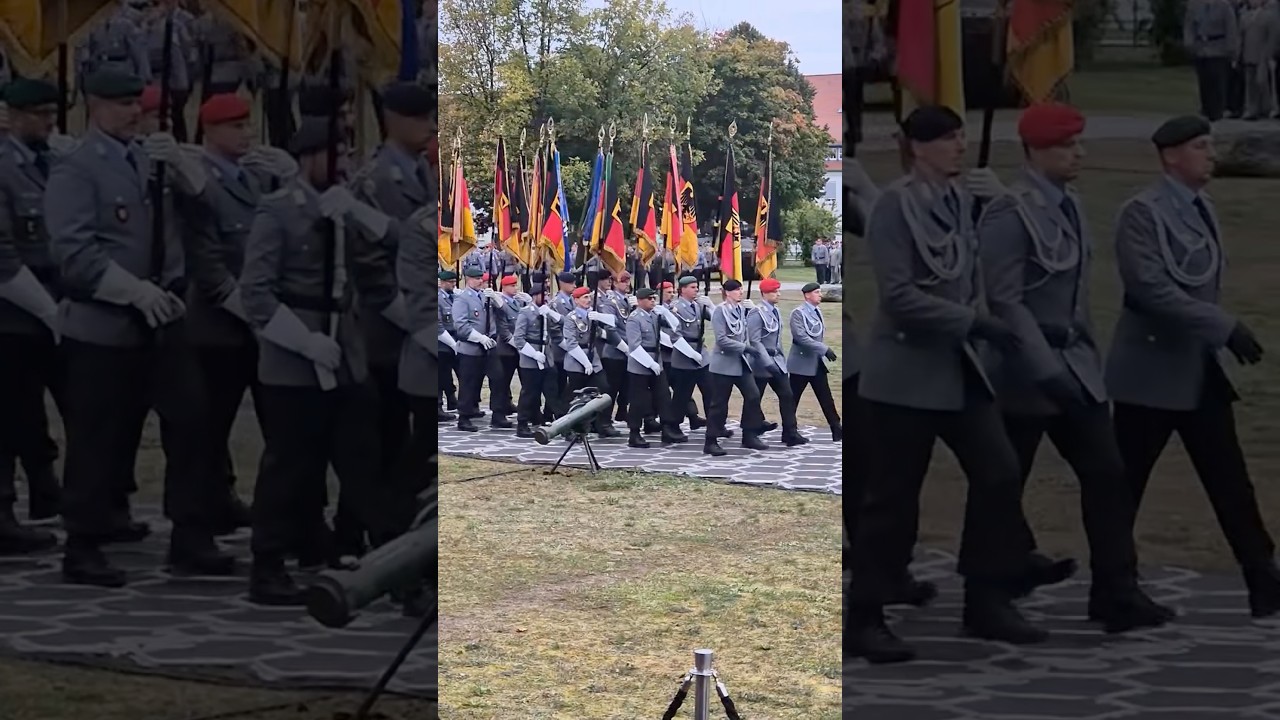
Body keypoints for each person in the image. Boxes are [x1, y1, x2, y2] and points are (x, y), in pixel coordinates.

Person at [847, 105, 1055, 664]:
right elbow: (899, 296)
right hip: (905, 375)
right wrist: (974, 321)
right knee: (891, 501)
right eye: (945, 139)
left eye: (962, 136)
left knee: (1000, 473)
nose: (959, 146)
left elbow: (981, 269)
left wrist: (1004, 203)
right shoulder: (895, 206)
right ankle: (864, 615)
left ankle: (986, 597)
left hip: (959, 368)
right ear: (917, 146)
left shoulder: (962, 201)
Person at [978, 103, 1172, 633]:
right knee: (1002, 486)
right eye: (1068, 146)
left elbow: (1077, 297)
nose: (1079, 154)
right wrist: (1044, 367)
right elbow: (1006, 301)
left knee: (1109, 475)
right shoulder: (1008, 212)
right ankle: (987, 596)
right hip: (1024, 372)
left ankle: (1116, 591)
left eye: (1078, 144)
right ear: (1036, 151)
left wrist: (1083, 360)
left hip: (1077, 370)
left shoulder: (1071, 204)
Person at [46, 68, 230, 587]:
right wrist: (132, 290)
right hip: (106, 322)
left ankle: (191, 534)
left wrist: (191, 176)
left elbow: (206, 217)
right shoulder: (78, 168)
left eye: (138, 104)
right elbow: (74, 252)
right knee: (99, 438)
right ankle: (83, 543)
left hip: (165, 318)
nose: (134, 113)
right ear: (94, 107)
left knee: (195, 424)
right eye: (123, 104)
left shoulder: (151, 159)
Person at [1106, 114, 1280, 619]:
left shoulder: (1201, 207)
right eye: (1200, 146)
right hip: (1150, 372)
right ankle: (1115, 587)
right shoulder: (1142, 212)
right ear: (1170, 157)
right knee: (1125, 484)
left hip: (1196, 368)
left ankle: (1261, 575)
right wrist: (1221, 325)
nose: (1210, 154)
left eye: (1210, 145)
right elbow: (1150, 288)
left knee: (1229, 477)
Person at [239, 117, 401, 605]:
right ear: (308, 158)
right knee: (290, 467)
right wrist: (305, 343)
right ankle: (267, 565)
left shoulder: (346, 205)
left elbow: (396, 240)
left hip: (346, 352)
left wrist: (356, 213)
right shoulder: (278, 212)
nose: (345, 164)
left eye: (348, 155)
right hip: (296, 359)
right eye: (335, 155)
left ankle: (382, 559)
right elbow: (257, 294)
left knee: (361, 459)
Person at [181, 93, 293, 534]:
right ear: (209, 131)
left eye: (248, 125)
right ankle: (200, 520)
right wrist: (254, 311)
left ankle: (273, 516)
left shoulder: (255, 179)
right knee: (207, 432)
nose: (246, 134)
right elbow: (207, 263)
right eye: (235, 126)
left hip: (257, 327)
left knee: (278, 427)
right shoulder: (199, 181)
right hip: (218, 326)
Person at [0, 80, 64, 553]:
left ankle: (48, 490)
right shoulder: (4, 167)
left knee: (33, 412)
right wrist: (47, 309)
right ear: (14, 116)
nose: (49, 122)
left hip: (51, 301)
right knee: (7, 417)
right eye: (39, 114)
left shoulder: (53, 163)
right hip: (12, 310)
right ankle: (3, 512)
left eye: (51, 113)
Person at [705, 279, 767, 455]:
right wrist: (745, 347)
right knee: (719, 404)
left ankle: (749, 434)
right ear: (728, 292)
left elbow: (743, 331)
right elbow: (722, 340)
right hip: (724, 363)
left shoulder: (741, 310)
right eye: (737, 290)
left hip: (740, 362)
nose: (741, 292)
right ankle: (710, 441)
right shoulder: (720, 311)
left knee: (753, 395)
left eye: (741, 289)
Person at [747, 278, 806, 446]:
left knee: (787, 395)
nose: (778, 294)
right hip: (761, 363)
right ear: (765, 293)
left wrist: (779, 359)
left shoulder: (775, 310)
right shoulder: (756, 313)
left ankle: (790, 432)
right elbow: (755, 340)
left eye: (778, 291)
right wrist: (767, 362)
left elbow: (777, 338)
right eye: (775, 291)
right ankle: (749, 433)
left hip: (777, 362)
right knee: (754, 399)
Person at [561, 286, 617, 437]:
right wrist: (585, 362)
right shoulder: (571, 318)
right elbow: (571, 344)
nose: (588, 300)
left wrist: (599, 317)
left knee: (604, 389)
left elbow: (612, 323)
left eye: (589, 297)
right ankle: (569, 427)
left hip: (594, 357)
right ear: (576, 300)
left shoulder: (592, 315)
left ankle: (601, 424)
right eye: (584, 298)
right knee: (575, 395)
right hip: (577, 359)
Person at [788, 283, 842, 442]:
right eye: (816, 292)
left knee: (825, 396)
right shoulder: (798, 313)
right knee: (793, 399)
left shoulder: (816, 311)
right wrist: (823, 349)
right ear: (807, 296)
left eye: (819, 292)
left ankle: (836, 428)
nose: (820, 295)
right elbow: (801, 337)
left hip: (815, 362)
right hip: (801, 363)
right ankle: (789, 431)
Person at [624, 288, 676, 447]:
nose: (653, 301)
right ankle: (634, 433)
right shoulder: (634, 318)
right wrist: (649, 363)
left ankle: (667, 428)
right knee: (638, 400)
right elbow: (634, 346)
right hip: (640, 363)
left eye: (654, 298)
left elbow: (676, 326)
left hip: (656, 359)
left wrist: (667, 313)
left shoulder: (655, 315)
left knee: (664, 395)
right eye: (649, 299)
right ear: (640, 301)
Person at [452, 266, 498, 431]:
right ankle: (463, 418)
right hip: (470, 347)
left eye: (482, 278)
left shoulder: (484, 296)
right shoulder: (462, 299)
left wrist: (496, 299)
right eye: (477, 278)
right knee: (468, 383)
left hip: (488, 347)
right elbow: (461, 325)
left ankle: (496, 413)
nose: (481, 281)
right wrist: (479, 337)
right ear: (468, 279)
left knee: (495, 379)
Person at [511, 283, 558, 437]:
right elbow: (518, 339)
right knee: (529, 393)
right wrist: (533, 354)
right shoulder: (525, 312)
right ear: (535, 296)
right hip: (531, 358)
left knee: (552, 391)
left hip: (547, 357)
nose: (546, 298)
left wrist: (550, 313)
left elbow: (560, 324)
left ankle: (556, 421)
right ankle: (522, 424)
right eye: (543, 295)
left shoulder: (547, 311)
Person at [1184, 0, 1240, 121]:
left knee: (1217, 81)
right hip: (1200, 48)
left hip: (1218, 48)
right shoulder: (1194, 5)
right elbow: (1189, 25)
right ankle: (1205, 109)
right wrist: (1189, 43)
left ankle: (1217, 112)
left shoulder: (1224, 6)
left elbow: (1231, 27)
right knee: (1204, 81)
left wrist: (1232, 49)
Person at [1237, 0, 1278, 120]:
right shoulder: (1244, 16)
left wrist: (1270, 54)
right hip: (1248, 53)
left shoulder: (1269, 16)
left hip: (1262, 54)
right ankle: (1251, 109)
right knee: (1250, 83)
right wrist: (1238, 53)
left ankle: (1266, 108)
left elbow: (1272, 36)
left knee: (1261, 81)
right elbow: (1240, 36)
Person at [437, 269, 459, 418]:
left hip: (454, 339)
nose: (453, 285)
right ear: (442, 283)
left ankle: (452, 400)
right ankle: (438, 408)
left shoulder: (454, 297)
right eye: (451, 282)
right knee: (439, 376)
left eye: (454, 282)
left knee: (449, 375)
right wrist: (453, 344)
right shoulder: (437, 299)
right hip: (441, 343)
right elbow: (437, 326)